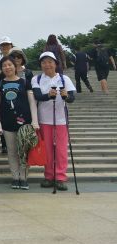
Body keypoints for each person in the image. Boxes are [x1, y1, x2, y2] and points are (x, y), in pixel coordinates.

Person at [0, 56, 39, 190]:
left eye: (10, 65)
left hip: (25, 123)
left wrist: (35, 121)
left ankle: (24, 177)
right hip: (7, 123)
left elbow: (32, 103)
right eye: (4, 65)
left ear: (15, 66)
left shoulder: (25, 83)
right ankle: (15, 177)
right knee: (12, 152)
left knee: (24, 151)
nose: (7, 67)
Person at [32, 52, 76, 191]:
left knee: (61, 150)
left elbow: (72, 98)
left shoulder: (64, 78)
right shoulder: (37, 79)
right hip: (44, 119)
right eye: (44, 62)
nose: (47, 65)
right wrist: (48, 95)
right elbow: (38, 96)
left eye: (50, 62)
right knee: (48, 150)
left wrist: (66, 96)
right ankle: (49, 176)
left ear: (56, 63)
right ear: (41, 65)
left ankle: (61, 177)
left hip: (61, 120)